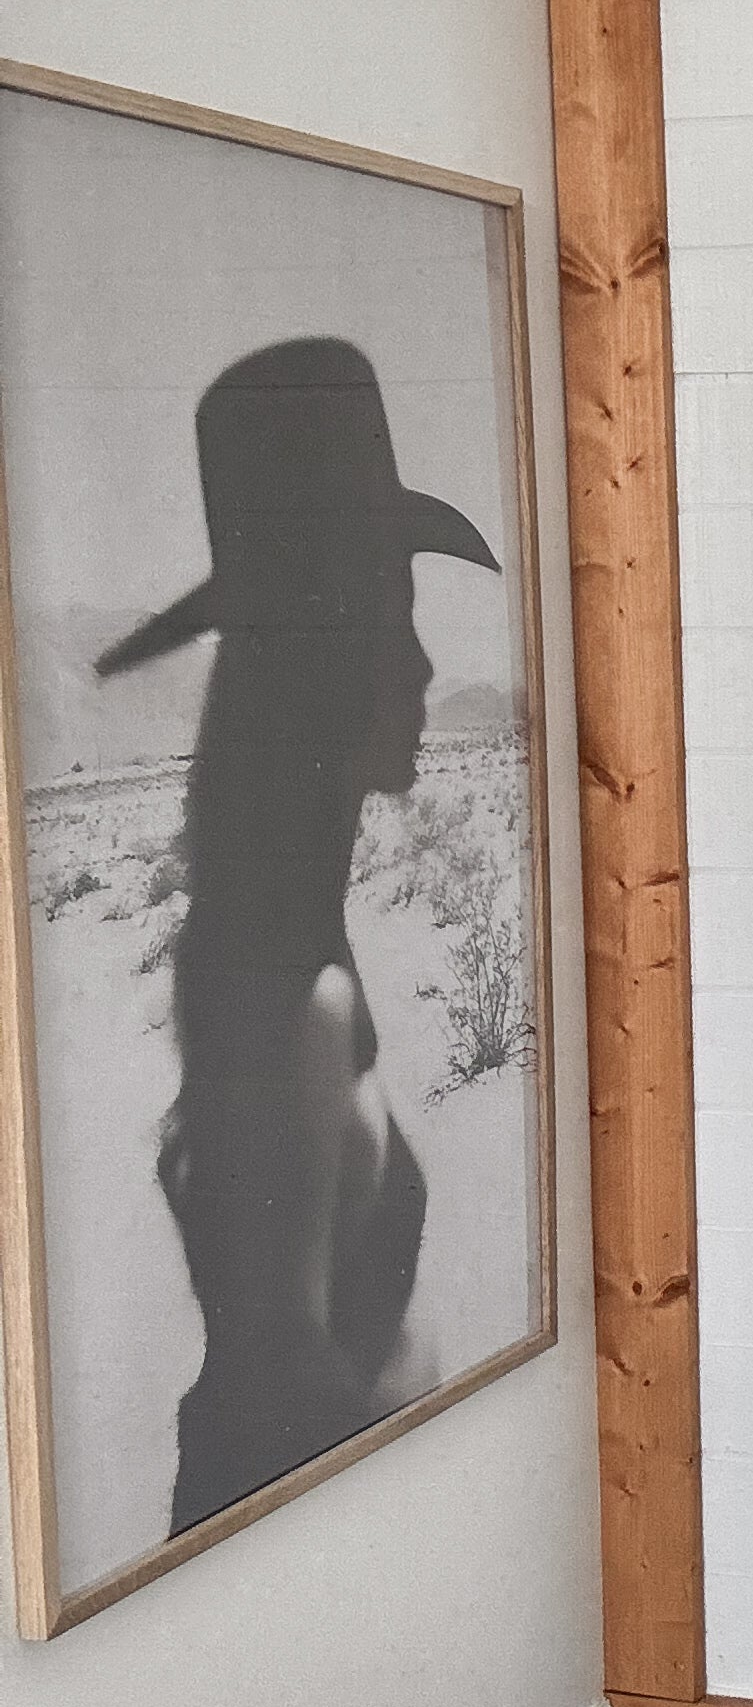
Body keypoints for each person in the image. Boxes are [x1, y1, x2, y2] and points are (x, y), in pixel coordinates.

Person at [95, 336, 501, 1535]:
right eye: (397, 616)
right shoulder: (296, 1000)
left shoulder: (276, 947)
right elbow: (274, 1418)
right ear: (325, 657)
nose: (427, 663)